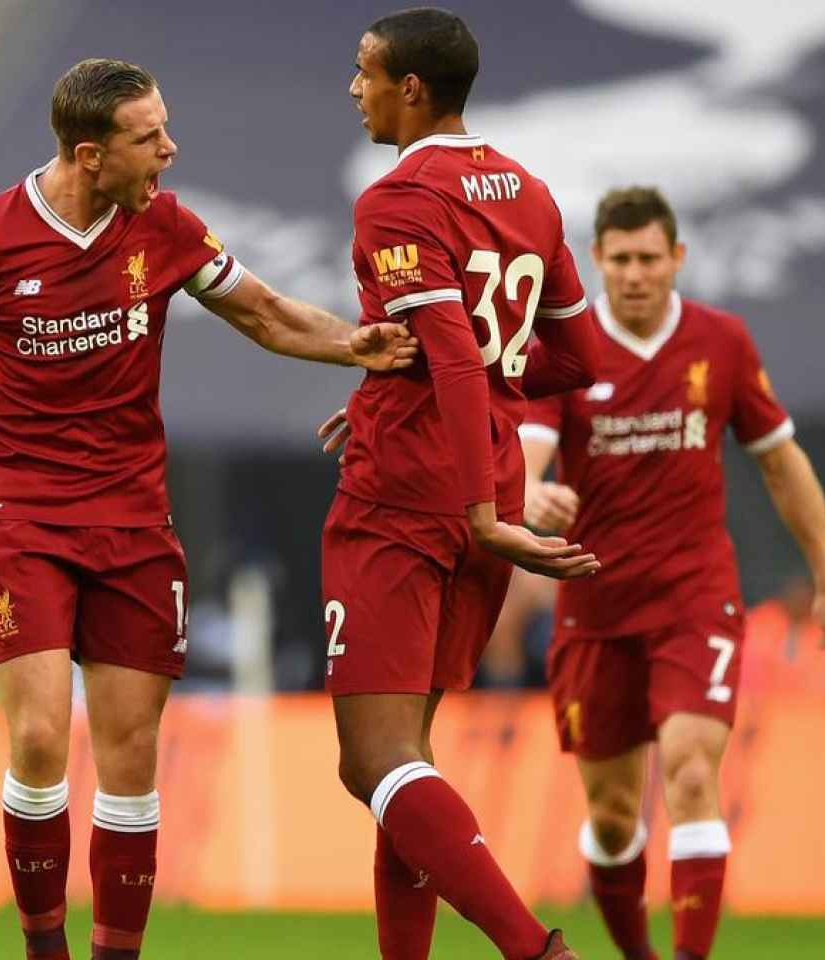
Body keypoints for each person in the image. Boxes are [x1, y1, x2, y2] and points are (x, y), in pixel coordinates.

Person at [0, 57, 416, 960]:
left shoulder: (166, 228)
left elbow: (262, 313)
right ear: (90, 155)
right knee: (37, 737)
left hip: (134, 523)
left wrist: (355, 346)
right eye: (150, 139)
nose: (170, 152)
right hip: (20, 515)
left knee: (130, 759)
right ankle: (44, 947)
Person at [313, 9, 604, 960]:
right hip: (488, 469)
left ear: (411, 88)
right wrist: (490, 388)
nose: (352, 89)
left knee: (375, 762)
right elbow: (579, 355)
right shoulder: (529, 192)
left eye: (364, 72)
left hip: (409, 492)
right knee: (412, 763)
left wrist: (475, 505)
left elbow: (444, 346)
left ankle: (537, 951)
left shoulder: (395, 198)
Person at [518, 186, 825, 960]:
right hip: (594, 609)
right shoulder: (561, 354)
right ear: (596, 263)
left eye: (649, 258)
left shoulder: (722, 342)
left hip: (693, 599)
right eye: (619, 260)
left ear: (677, 259)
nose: (635, 274)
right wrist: (530, 492)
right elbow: (527, 456)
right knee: (612, 817)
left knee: (691, 771)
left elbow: (782, 465)